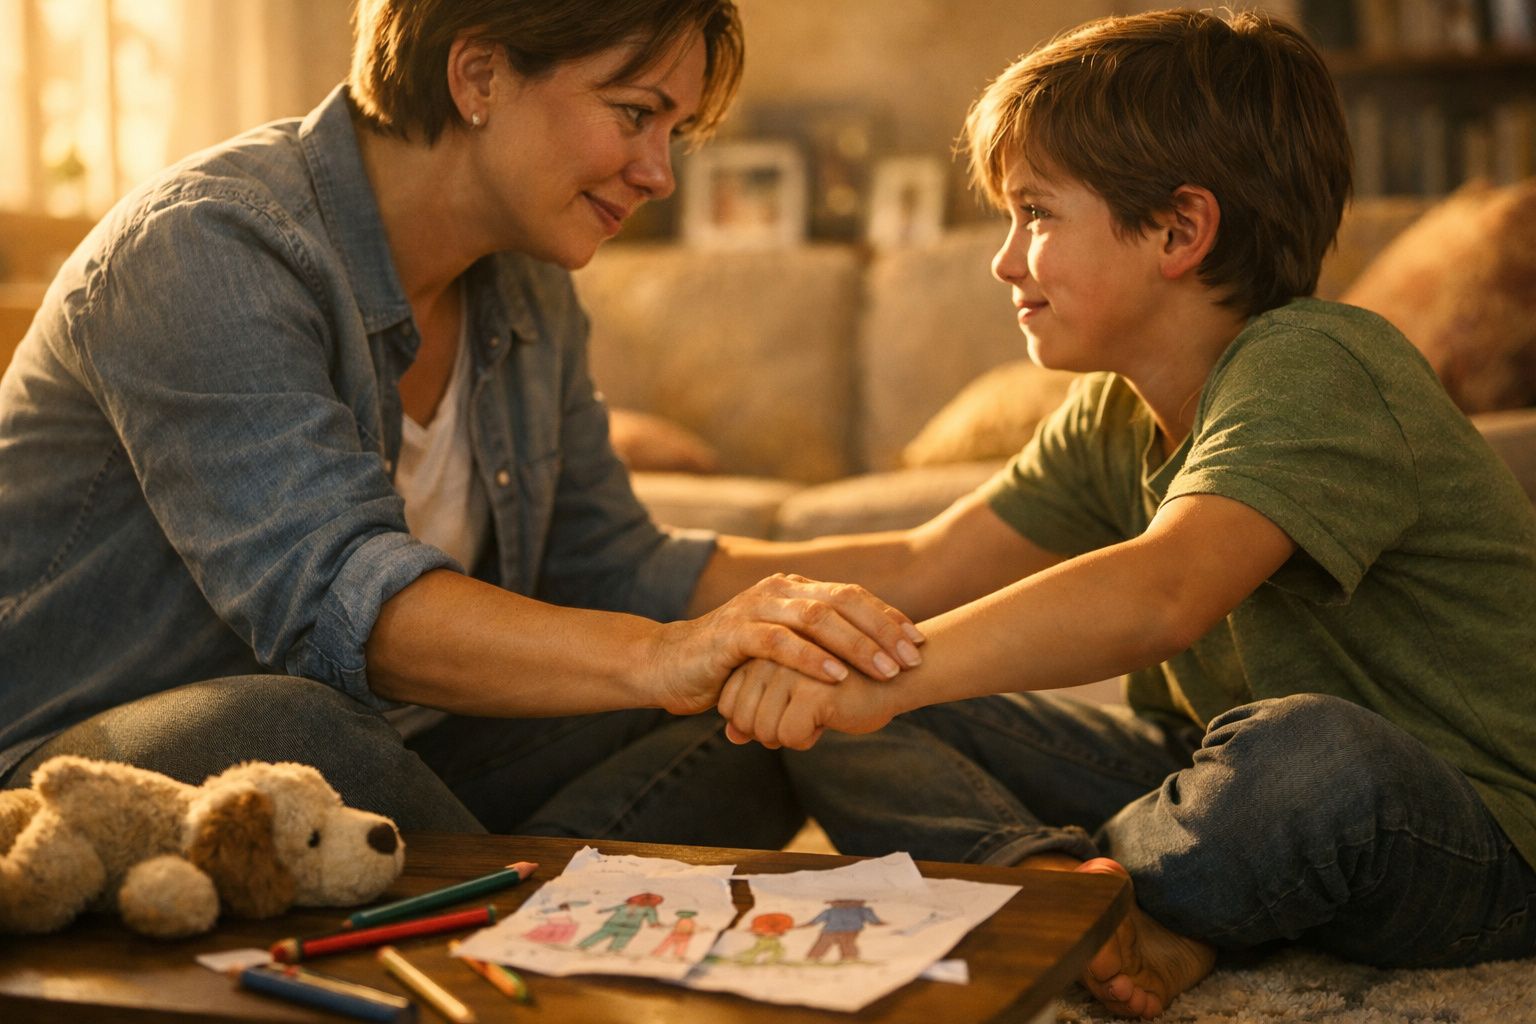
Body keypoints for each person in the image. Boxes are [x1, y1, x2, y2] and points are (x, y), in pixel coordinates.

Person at [714, 9, 1536, 1018]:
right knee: (837, 694)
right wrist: (715, 603)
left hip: (1472, 831)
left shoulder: (1321, 361)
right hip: (1207, 786)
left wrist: (888, 680)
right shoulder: (1114, 407)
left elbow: (1166, 593)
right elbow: (926, 560)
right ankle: (1089, 896)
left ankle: (1083, 897)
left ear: (1181, 231)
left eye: (1038, 215)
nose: (1004, 260)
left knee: (1311, 754)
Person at [0, 0, 926, 850]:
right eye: (635, 113)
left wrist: (793, 624)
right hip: (76, 774)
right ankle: (531, 925)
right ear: (478, 78)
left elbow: (611, 566)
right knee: (286, 728)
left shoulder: (527, 286)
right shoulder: (208, 244)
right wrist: (664, 653)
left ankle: (509, 918)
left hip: (393, 765)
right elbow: (344, 602)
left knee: (766, 703)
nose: (659, 175)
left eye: (674, 132)